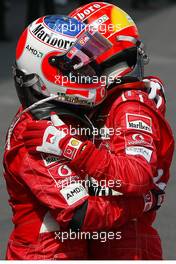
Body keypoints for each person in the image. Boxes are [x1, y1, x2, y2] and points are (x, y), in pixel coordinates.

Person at [3, 3, 174, 261]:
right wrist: (144, 201)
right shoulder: (36, 132)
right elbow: (80, 214)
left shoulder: (98, 109)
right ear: (49, 72)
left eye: (93, 63)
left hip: (113, 246)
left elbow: (133, 172)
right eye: (81, 66)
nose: (92, 73)